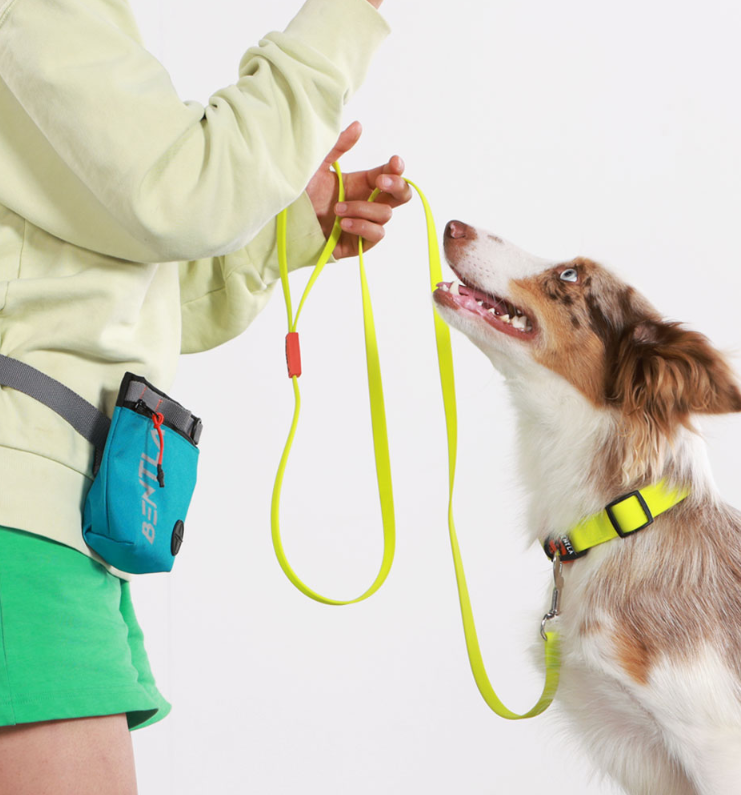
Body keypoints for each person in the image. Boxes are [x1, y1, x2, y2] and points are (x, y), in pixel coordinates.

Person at [0, 0, 409, 791]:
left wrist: (287, 225)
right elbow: (185, 194)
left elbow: (113, 287)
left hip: (51, 512)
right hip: (20, 530)